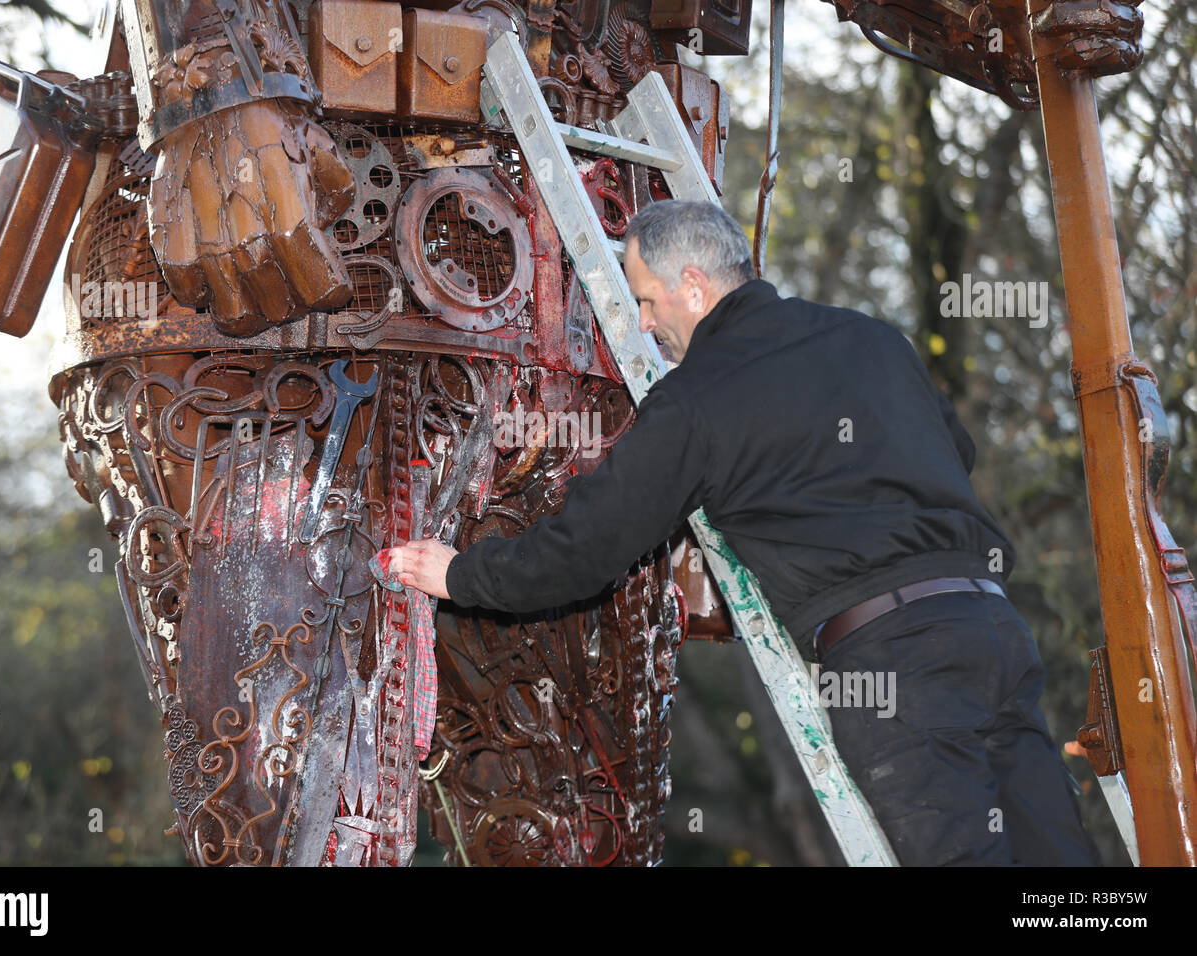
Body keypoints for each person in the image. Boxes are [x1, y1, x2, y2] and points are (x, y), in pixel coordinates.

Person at [382, 199, 1102, 866]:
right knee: (1060, 864)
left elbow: (586, 549)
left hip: (894, 664)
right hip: (993, 628)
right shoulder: (873, 339)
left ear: (692, 286)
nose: (641, 323)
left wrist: (458, 574)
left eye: (644, 299)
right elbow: (956, 452)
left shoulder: (699, 399)